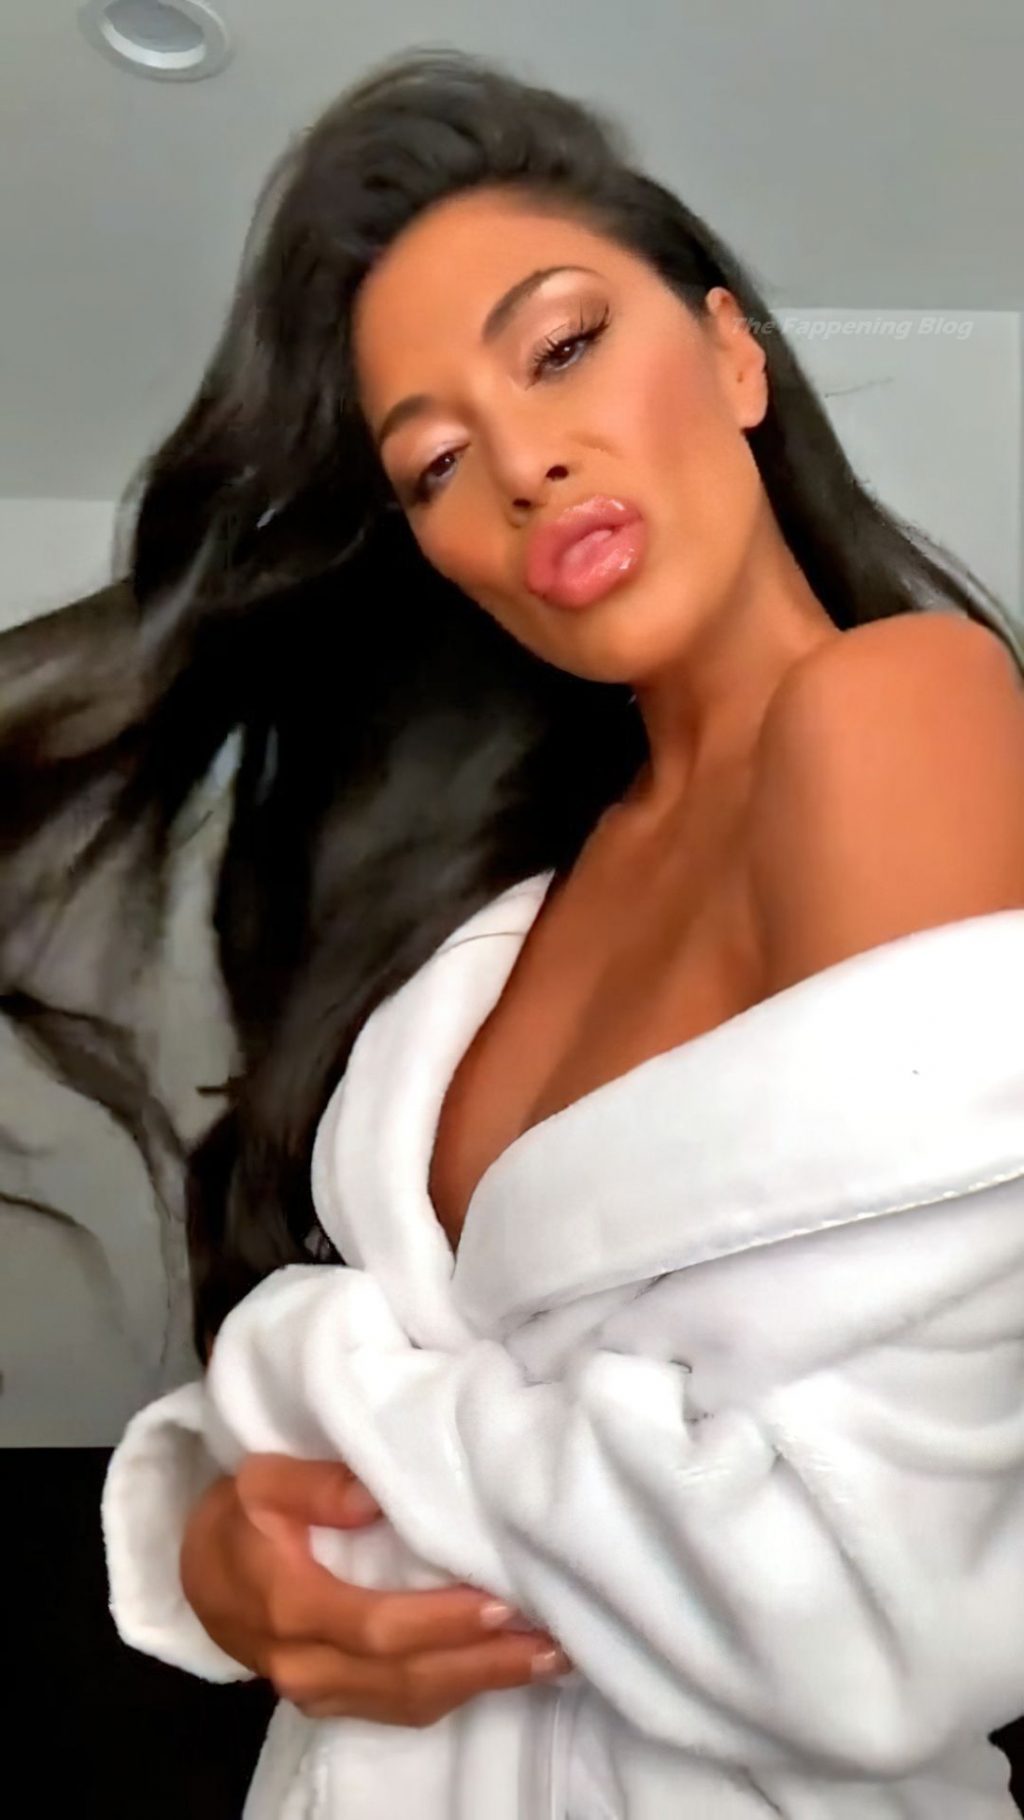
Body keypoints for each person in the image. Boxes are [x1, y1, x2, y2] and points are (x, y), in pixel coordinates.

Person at [5, 43, 1024, 1820]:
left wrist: (298, 1373)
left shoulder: (893, 714)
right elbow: (492, 1433)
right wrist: (216, 1540)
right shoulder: (489, 930)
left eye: (561, 349)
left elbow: (863, 1605)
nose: (529, 467)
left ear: (733, 354)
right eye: (434, 465)